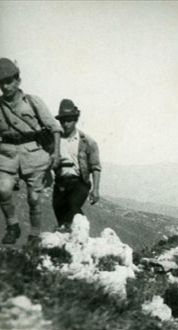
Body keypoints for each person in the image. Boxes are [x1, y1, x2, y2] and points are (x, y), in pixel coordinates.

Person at [0, 58, 62, 244]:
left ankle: (34, 234)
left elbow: (55, 128)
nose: (5, 87)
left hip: (34, 154)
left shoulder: (32, 102)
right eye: (1, 83)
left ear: (18, 80)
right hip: (7, 154)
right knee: (2, 190)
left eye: (8, 81)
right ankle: (13, 225)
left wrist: (56, 153)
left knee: (34, 198)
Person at [51, 99, 101, 228]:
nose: (66, 124)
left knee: (73, 206)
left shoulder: (87, 142)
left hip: (79, 182)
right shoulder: (55, 141)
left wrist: (95, 190)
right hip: (60, 183)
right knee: (61, 216)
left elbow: (96, 167)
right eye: (63, 121)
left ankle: (82, 230)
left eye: (69, 120)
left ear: (75, 120)